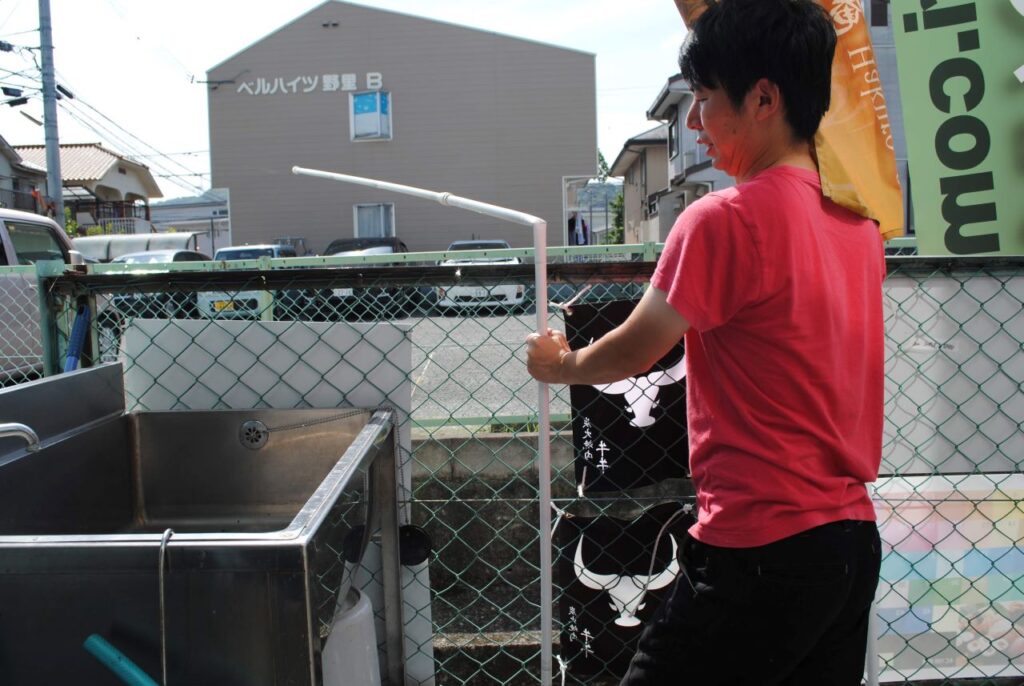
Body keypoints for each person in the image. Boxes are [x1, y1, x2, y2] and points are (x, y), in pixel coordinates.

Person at [526, 0, 885, 683]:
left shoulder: (723, 220)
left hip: (759, 545)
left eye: (704, 98)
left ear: (763, 98)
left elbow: (639, 347)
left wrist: (560, 364)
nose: (693, 122)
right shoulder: (857, 226)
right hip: (848, 542)